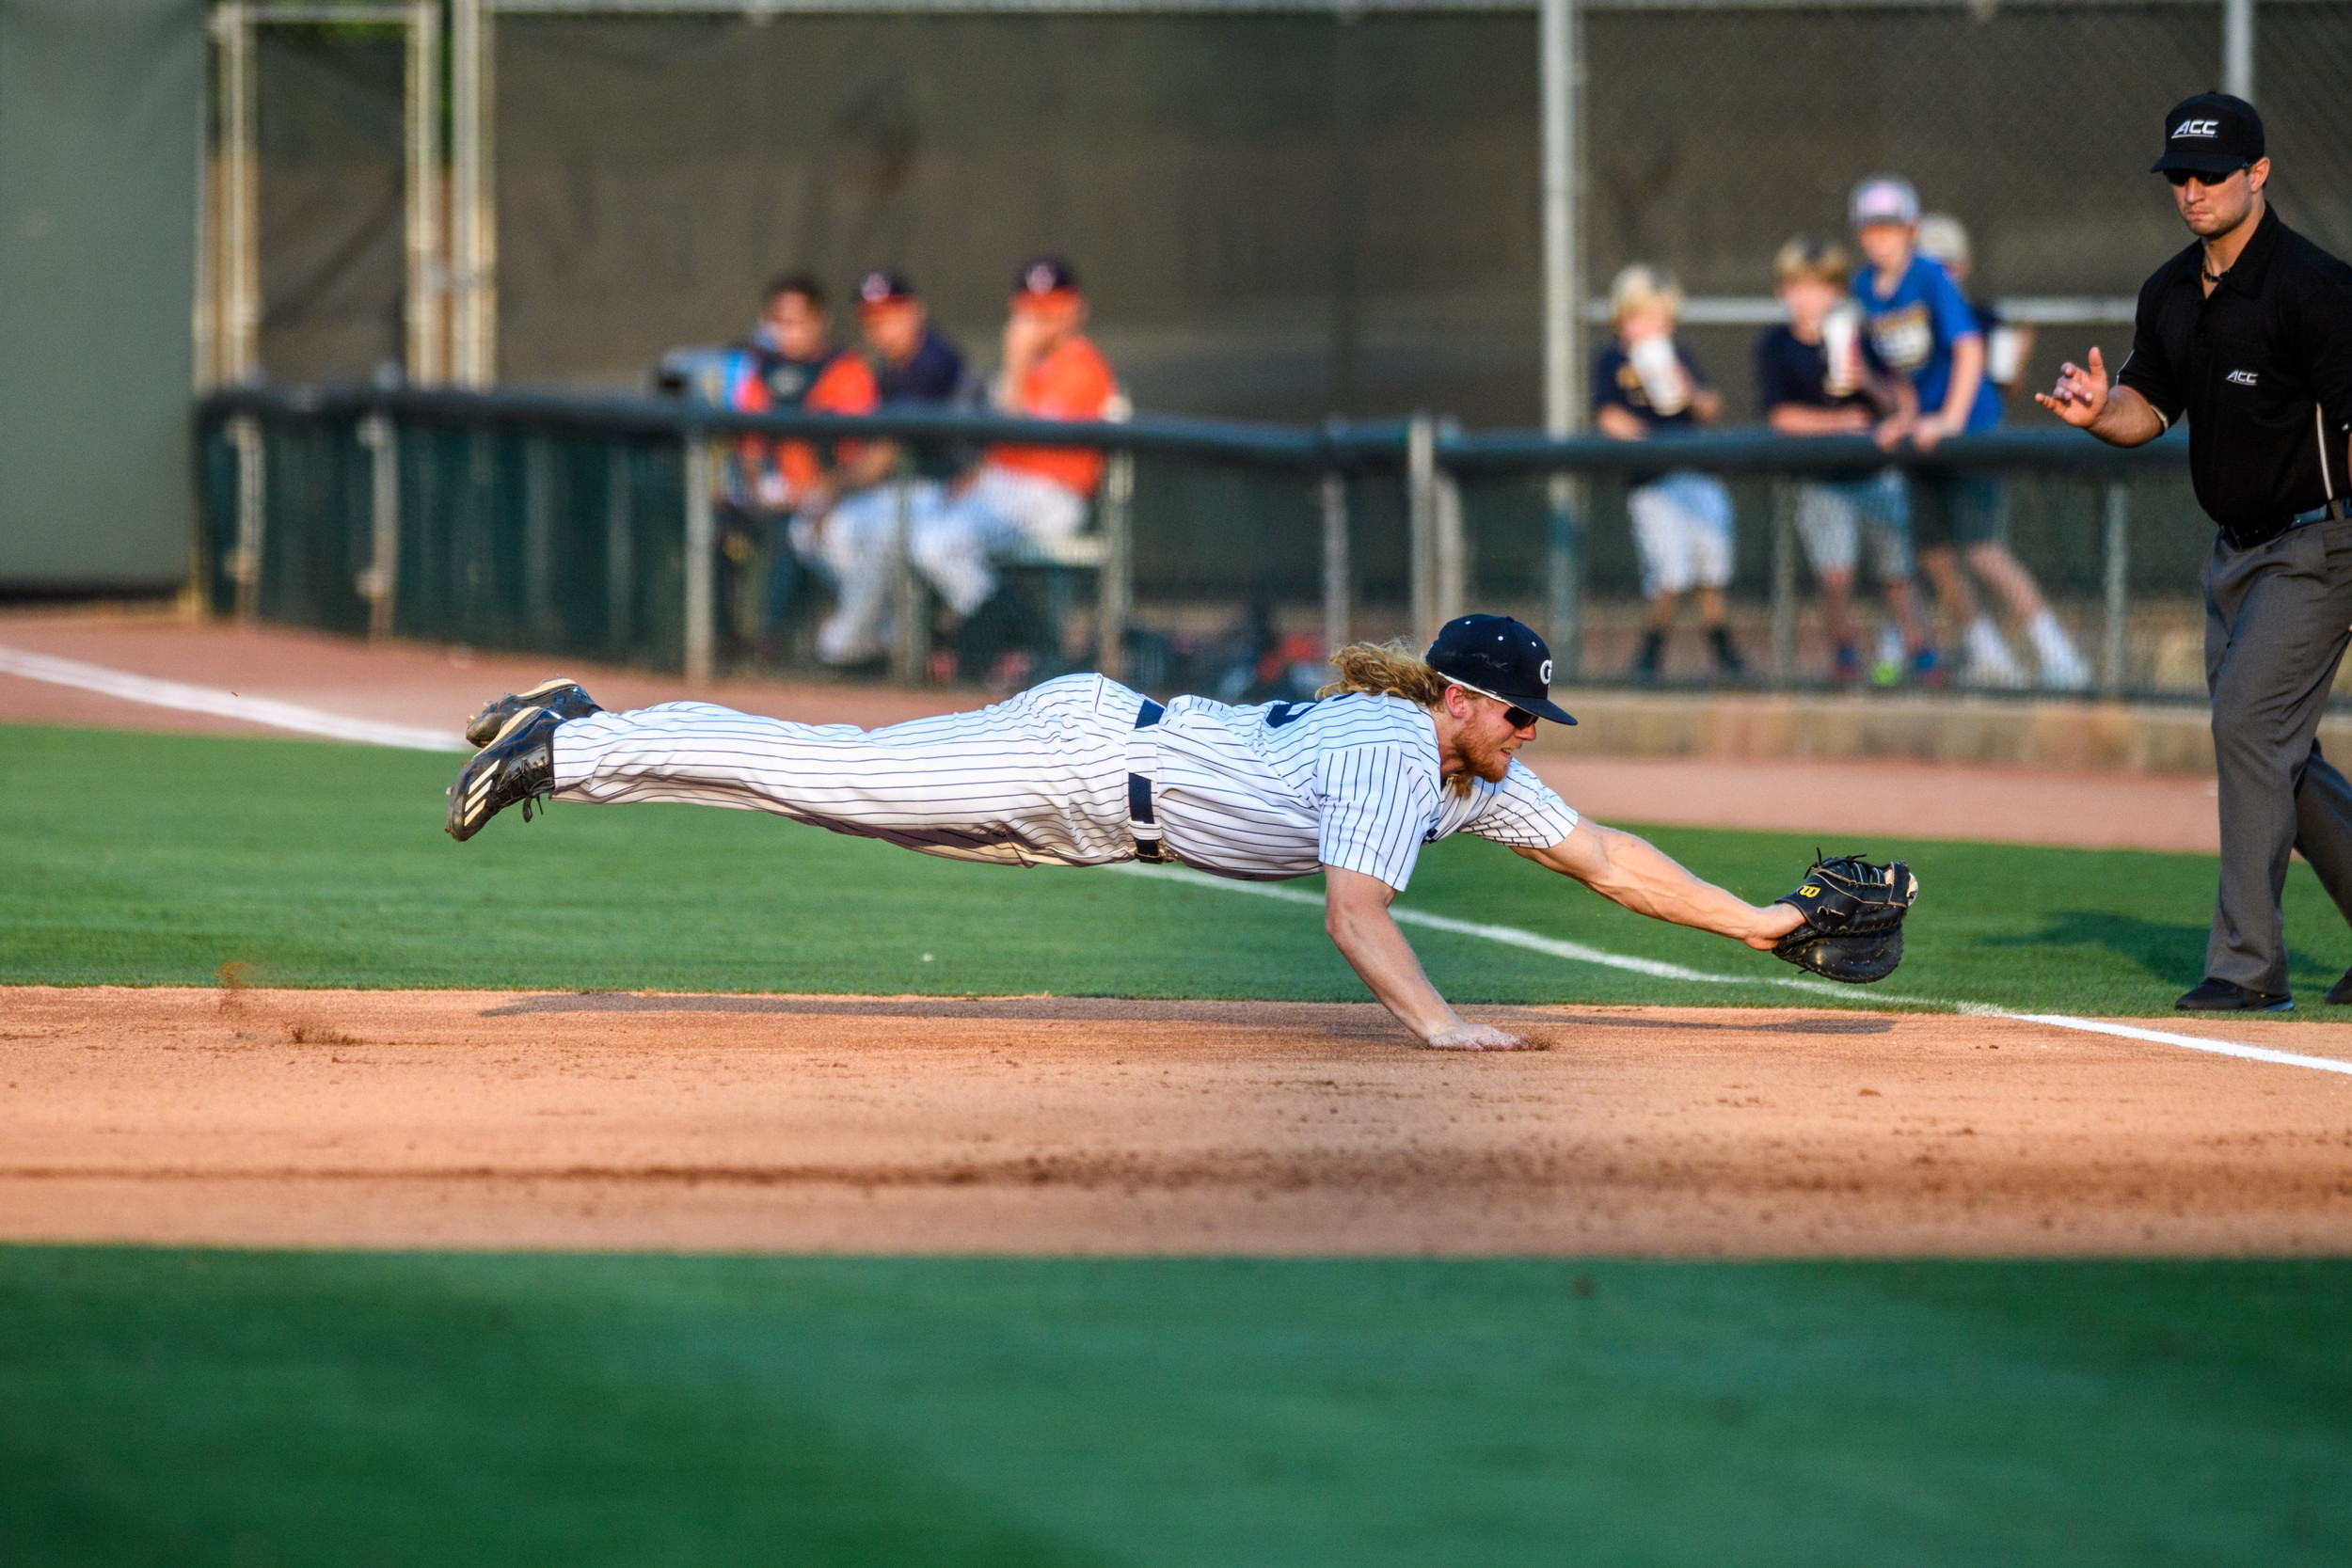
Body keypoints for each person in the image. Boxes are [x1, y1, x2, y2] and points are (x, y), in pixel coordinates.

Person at [444, 616, 1811, 1051]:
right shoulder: (1403, 746)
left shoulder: (1467, 771)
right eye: (1516, 710)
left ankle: (580, 739)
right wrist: (1443, 1025)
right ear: (1460, 696)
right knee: (832, 769)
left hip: (1091, 809)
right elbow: (1355, 916)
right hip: (1086, 760)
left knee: (819, 785)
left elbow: (1609, 856)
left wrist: (1761, 921)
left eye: (1530, 717)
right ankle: (572, 737)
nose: (1528, 731)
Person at [2036, 93, 2352, 1013]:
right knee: (2278, 759)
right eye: (2179, 173)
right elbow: (2148, 409)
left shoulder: (2314, 288)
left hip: (2321, 541)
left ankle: (2248, 969)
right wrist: (2101, 413)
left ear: (2257, 173)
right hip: (2235, 557)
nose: (2192, 189)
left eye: (2211, 172)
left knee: (2249, 732)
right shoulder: (2171, 288)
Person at [1850, 177, 2091, 691]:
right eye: (1871, 228)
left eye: (1891, 227)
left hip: (1969, 425)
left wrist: (1952, 421)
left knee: (1982, 548)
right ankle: (1989, 655)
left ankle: (2058, 654)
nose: (1881, 238)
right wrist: (1906, 416)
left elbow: (1968, 349)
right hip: (1926, 433)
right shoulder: (1866, 288)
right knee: (1935, 554)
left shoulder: (1930, 276)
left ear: (1909, 231)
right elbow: (1901, 368)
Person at [909, 255, 1119, 680]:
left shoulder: (1084, 365)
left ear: (1076, 309)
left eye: (1052, 307)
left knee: (935, 544)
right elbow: (1002, 446)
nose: (1040, 319)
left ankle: (1024, 639)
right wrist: (980, 471)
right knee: (910, 522)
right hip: (1006, 487)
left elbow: (1018, 431)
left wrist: (1016, 358)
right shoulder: (1023, 367)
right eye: (1031, 308)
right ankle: (1026, 635)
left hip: (1055, 494)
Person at [1755, 235, 1936, 687]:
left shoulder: (1861, 334)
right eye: (1799, 287)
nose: (1810, 298)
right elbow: (1781, 415)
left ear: (1837, 293)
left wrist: (1865, 380)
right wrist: (1837, 423)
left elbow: (1899, 401)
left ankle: (1924, 656)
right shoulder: (1776, 345)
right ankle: (1846, 658)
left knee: (1898, 573)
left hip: (1875, 475)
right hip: (1822, 481)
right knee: (1836, 576)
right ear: (1783, 292)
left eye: (1820, 287)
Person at [791, 270, 970, 668]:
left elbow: (883, 457)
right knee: (811, 531)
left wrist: (830, 492)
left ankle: (845, 647)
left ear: (915, 312)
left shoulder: (932, 361)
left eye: (892, 315)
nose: (882, 328)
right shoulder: (882, 366)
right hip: (903, 493)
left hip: (948, 489)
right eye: (872, 319)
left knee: (867, 531)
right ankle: (890, 631)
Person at [715, 275, 881, 666]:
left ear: (820, 321)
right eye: (780, 320)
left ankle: (770, 646)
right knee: (719, 528)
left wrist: (817, 492)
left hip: (834, 500)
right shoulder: (758, 370)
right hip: (775, 496)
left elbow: (859, 459)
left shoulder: (844, 370)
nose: (788, 332)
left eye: (798, 321)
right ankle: (723, 642)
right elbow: (750, 448)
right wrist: (757, 493)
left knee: (791, 535)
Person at [1593, 264, 1743, 682]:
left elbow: (1712, 408)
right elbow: (1609, 418)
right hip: (1654, 482)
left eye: (1663, 318)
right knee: (1670, 572)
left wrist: (1686, 387)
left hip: (1698, 475)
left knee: (1711, 567)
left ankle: (1724, 652)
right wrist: (1655, 442)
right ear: (1623, 318)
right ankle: (1651, 652)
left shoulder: (1680, 356)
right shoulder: (1612, 358)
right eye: (1644, 317)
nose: (1656, 327)